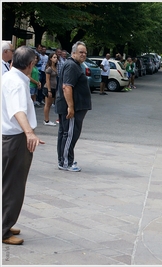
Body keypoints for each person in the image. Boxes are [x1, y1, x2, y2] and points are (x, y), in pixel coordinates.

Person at [2, 46, 45, 245]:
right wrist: (29, 133)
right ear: (30, 64)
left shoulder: (8, 77)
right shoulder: (17, 83)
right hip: (16, 139)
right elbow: (18, 110)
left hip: (8, 136)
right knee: (14, 186)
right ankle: (3, 230)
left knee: (7, 183)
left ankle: (4, 223)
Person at [55, 41, 92, 172]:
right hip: (72, 108)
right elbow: (67, 87)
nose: (84, 55)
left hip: (74, 107)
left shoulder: (74, 65)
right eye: (81, 52)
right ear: (73, 53)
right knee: (69, 134)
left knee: (66, 133)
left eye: (85, 53)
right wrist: (70, 107)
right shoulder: (71, 66)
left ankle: (64, 159)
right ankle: (66, 162)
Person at [43, 52, 58, 126]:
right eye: (54, 57)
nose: (56, 59)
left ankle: (47, 119)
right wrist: (49, 90)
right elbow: (47, 80)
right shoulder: (49, 68)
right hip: (49, 88)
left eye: (56, 57)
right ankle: (46, 120)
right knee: (47, 104)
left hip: (54, 87)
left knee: (50, 104)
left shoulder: (55, 67)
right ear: (50, 59)